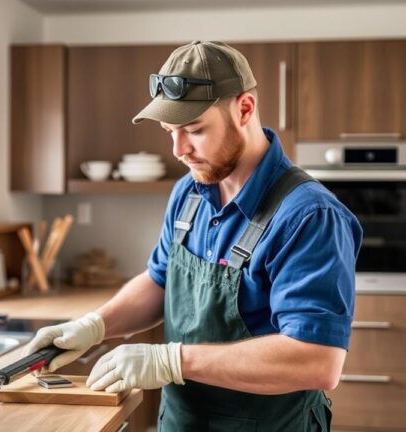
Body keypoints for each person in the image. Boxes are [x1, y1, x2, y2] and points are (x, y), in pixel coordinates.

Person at [22, 41, 362, 430]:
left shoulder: (309, 216)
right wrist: (96, 326)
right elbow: (161, 279)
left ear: (245, 109)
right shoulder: (190, 192)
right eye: (169, 131)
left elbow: (317, 361)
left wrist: (172, 361)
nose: (179, 149)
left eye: (195, 130)